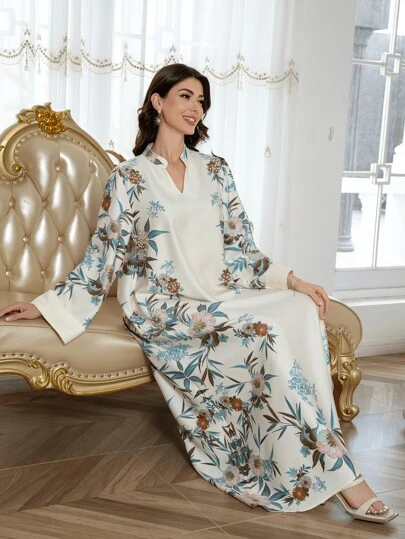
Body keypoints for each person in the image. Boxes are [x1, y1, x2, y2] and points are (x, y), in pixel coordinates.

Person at [0, 64, 397, 523]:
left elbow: (241, 250)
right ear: (158, 101)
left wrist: (294, 281)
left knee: (302, 310)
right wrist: (45, 306)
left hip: (218, 292)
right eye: (186, 96)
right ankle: (344, 478)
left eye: (202, 101)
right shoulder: (128, 178)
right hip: (161, 305)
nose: (196, 108)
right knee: (264, 333)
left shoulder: (216, 171)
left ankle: (320, 454)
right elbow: (103, 256)